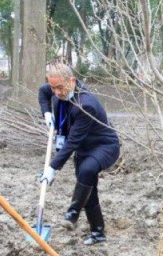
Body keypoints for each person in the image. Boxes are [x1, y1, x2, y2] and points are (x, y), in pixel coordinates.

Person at [37, 63, 120, 245]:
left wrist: (52, 168)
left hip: (104, 145)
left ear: (72, 81)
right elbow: (43, 93)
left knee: (87, 170)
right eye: (53, 87)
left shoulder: (86, 104)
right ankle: (98, 233)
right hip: (84, 148)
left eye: (60, 87)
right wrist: (47, 113)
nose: (56, 92)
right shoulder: (56, 88)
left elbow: (72, 141)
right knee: (88, 183)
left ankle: (73, 212)